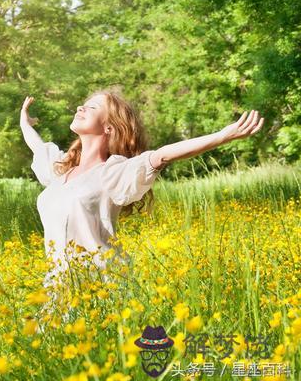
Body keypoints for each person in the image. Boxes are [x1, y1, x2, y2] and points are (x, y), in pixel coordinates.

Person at [20, 88, 264, 316]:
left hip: (100, 287)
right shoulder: (61, 171)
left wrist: (221, 136)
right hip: (58, 288)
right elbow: (37, 147)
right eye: (82, 106)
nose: (80, 109)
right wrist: (24, 121)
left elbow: (163, 155)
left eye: (92, 108)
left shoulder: (113, 172)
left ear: (109, 128)